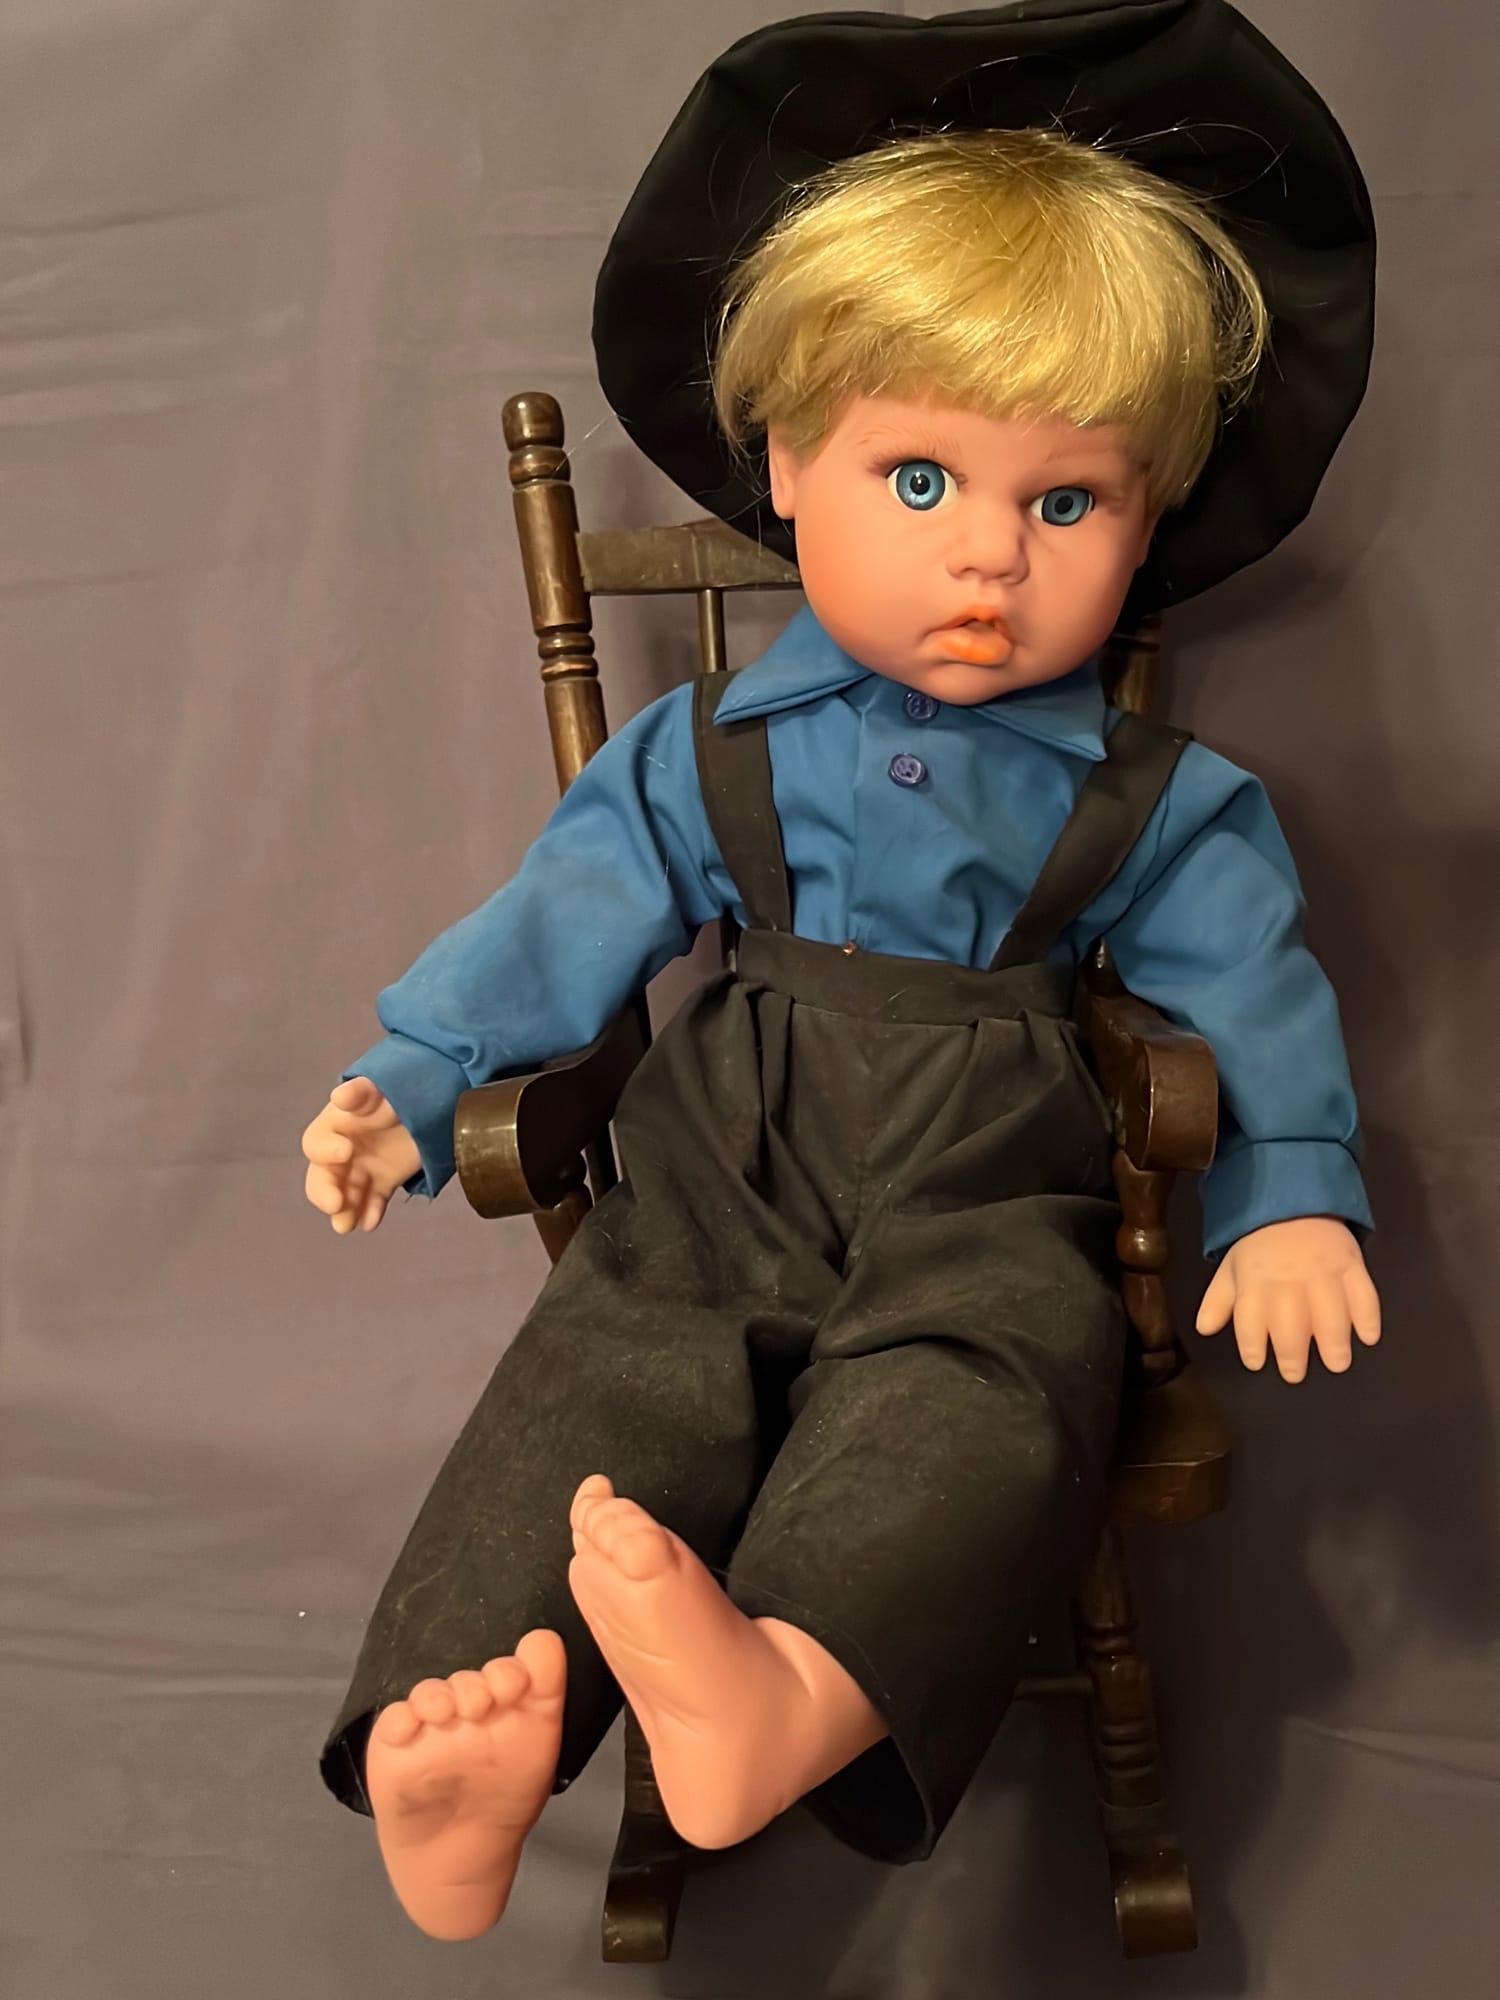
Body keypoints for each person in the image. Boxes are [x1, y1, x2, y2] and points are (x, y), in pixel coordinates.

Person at [302, 1, 1382, 1944]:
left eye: (1066, 502)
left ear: (1146, 518)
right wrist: (418, 1068)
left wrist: (1291, 1189)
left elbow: (1252, 987)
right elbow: (569, 910)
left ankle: (780, 1696)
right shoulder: (710, 754)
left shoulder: (1157, 802)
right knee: (615, 1354)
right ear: (790, 464)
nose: (991, 559)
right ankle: (451, 1750)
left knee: (985, 1382)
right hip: (729, 1150)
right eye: (922, 481)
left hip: (997, 1176)